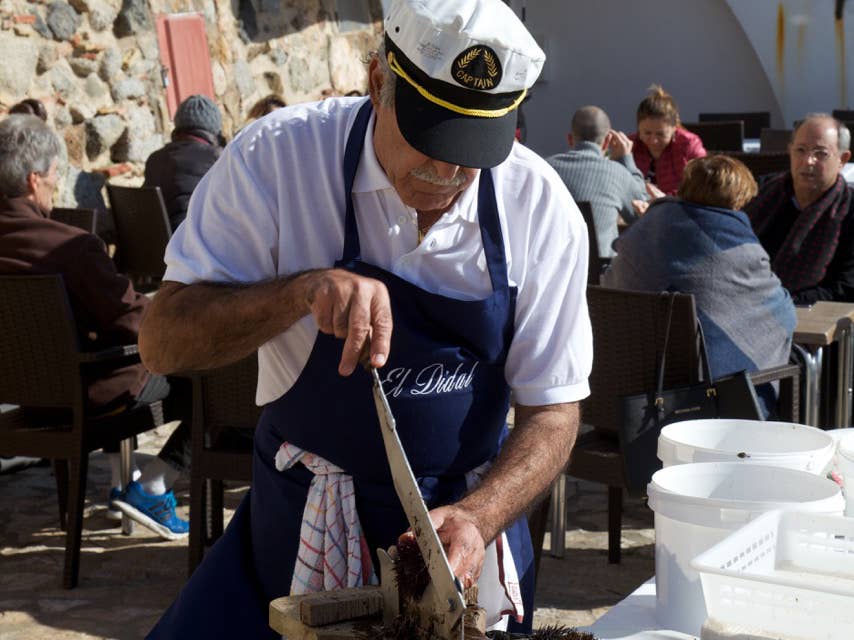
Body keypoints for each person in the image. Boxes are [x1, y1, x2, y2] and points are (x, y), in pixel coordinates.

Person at [139, 0, 592, 637]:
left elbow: (554, 412)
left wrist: (479, 515)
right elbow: (162, 342)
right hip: (300, 524)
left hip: (463, 549)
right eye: (431, 139)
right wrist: (298, 293)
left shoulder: (538, 208)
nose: (447, 172)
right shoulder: (279, 161)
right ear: (378, 81)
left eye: (473, 151)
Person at [0, 114, 191, 539]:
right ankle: (153, 487)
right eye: (54, 175)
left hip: (21, 400)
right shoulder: (71, 247)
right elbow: (130, 322)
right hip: (89, 397)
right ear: (34, 181)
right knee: (203, 387)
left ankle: (134, 483)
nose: (55, 183)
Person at [602, 155, 796, 414]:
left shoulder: (643, 234)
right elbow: (779, 314)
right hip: (708, 414)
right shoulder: (738, 252)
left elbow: (609, 286)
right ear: (738, 201)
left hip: (627, 406)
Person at [746, 114, 854, 303]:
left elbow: (846, 288)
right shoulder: (759, 192)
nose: (808, 161)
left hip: (815, 319)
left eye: (820, 153)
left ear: (842, 160)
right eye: (801, 150)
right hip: (744, 306)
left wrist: (781, 303)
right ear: (790, 152)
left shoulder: (849, 209)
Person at [547, 106, 649, 257]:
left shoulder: (546, 169)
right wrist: (627, 160)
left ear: (570, 139)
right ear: (607, 141)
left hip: (554, 270)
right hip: (600, 274)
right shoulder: (617, 173)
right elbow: (642, 213)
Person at [142, 94, 224, 230]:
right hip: (196, 240)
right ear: (214, 128)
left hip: (161, 243)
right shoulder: (216, 158)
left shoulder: (154, 159)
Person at [629, 84, 706, 196]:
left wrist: (666, 199)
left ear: (675, 128)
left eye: (660, 134)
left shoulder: (689, 145)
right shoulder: (630, 145)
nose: (653, 140)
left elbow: (702, 185)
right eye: (647, 133)